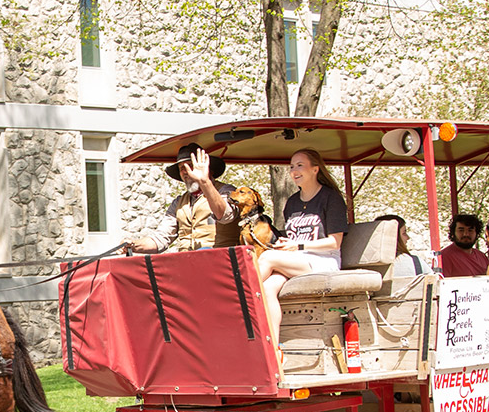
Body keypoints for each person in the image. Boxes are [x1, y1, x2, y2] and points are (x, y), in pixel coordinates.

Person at [257, 148, 351, 342]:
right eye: (291, 167)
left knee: (267, 258)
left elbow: (335, 242)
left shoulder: (330, 198)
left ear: (315, 169)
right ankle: (273, 347)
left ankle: (238, 296)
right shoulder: (292, 203)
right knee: (267, 287)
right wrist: (286, 244)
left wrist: (299, 246)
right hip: (298, 260)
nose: (294, 171)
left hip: (324, 261)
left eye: (300, 165)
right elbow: (293, 238)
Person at [126, 144, 237, 254]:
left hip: (222, 263)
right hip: (187, 264)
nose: (186, 171)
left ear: (207, 169)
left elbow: (226, 216)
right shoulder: (178, 202)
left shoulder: (226, 191)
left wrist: (204, 182)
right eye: (181, 168)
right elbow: (162, 238)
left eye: (190, 166)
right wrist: (133, 245)